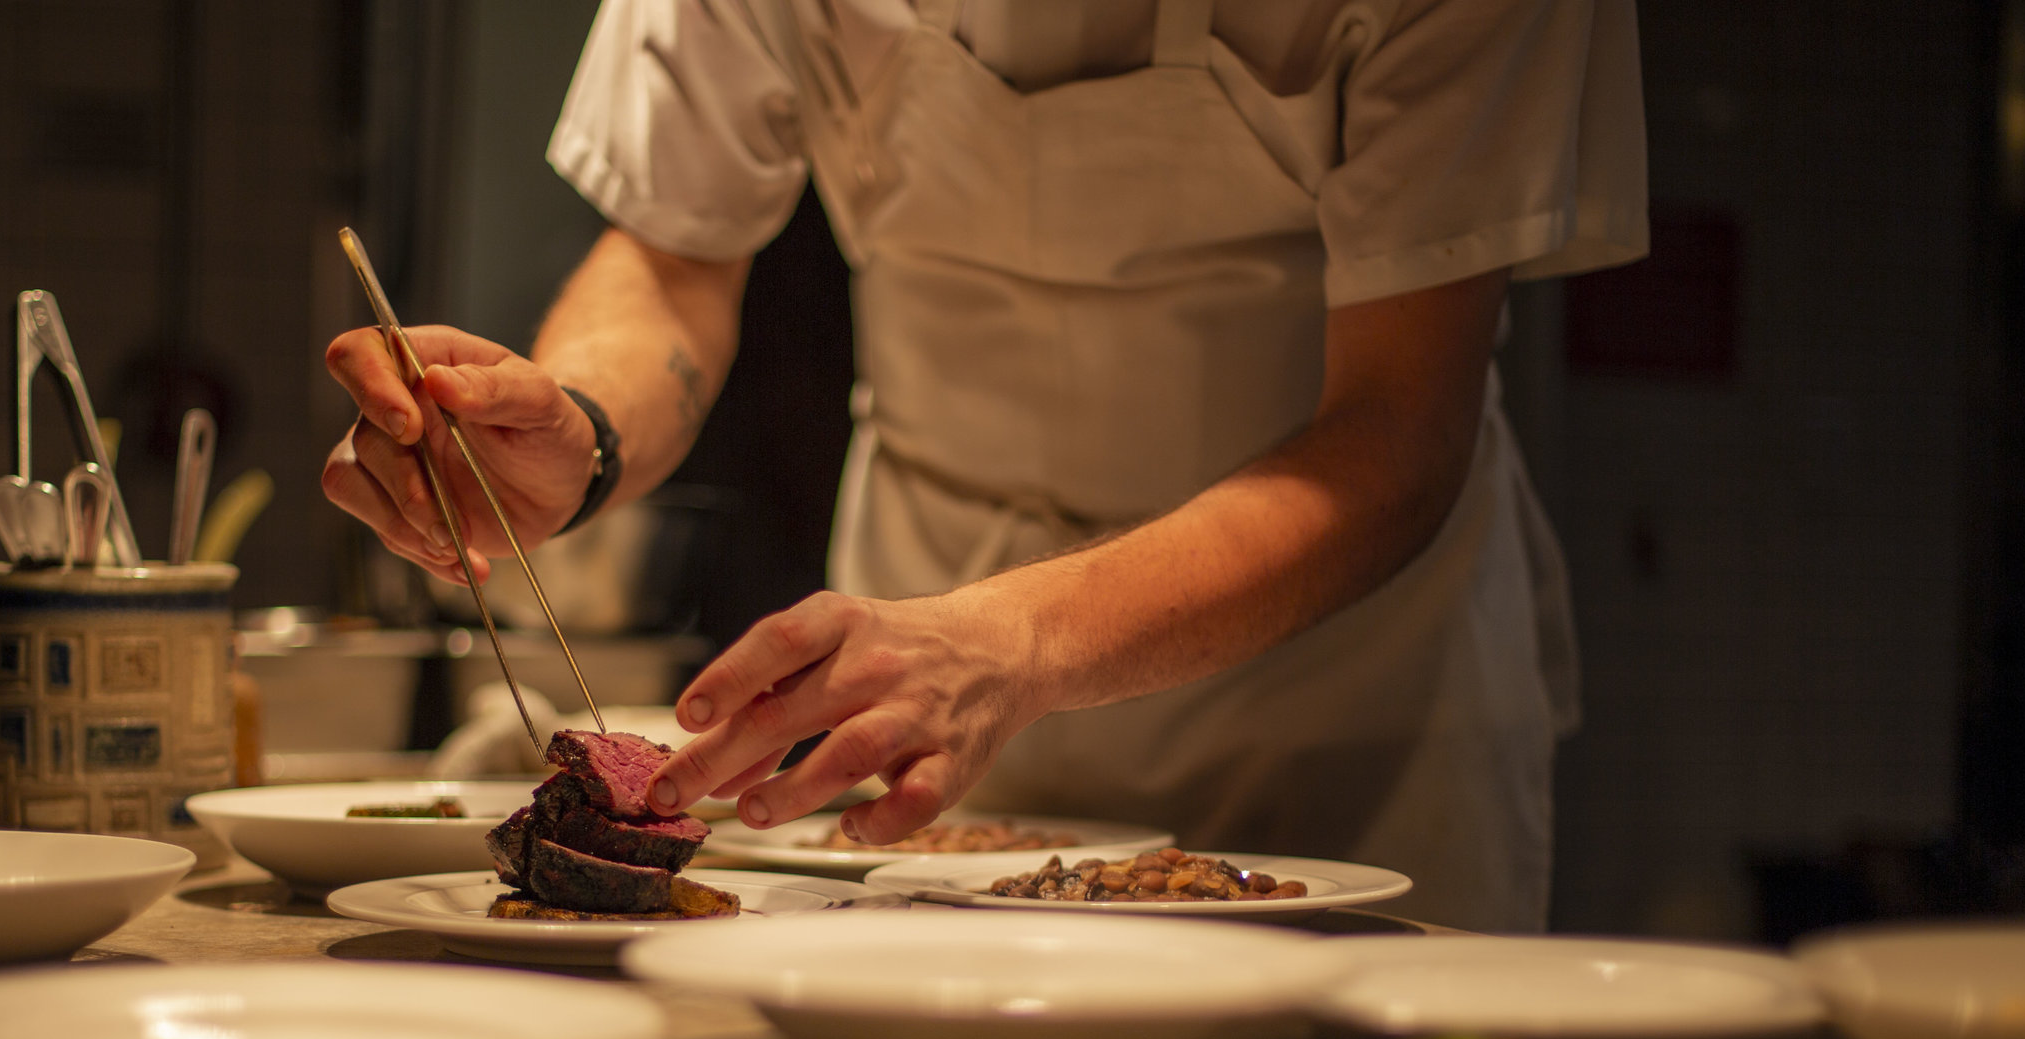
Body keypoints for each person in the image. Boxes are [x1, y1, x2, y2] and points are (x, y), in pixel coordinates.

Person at [322, 0, 1645, 931]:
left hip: (1342, 732)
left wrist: (1013, 638)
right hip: (927, 731)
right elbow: (674, 253)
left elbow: (1402, 427)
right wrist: (584, 429)